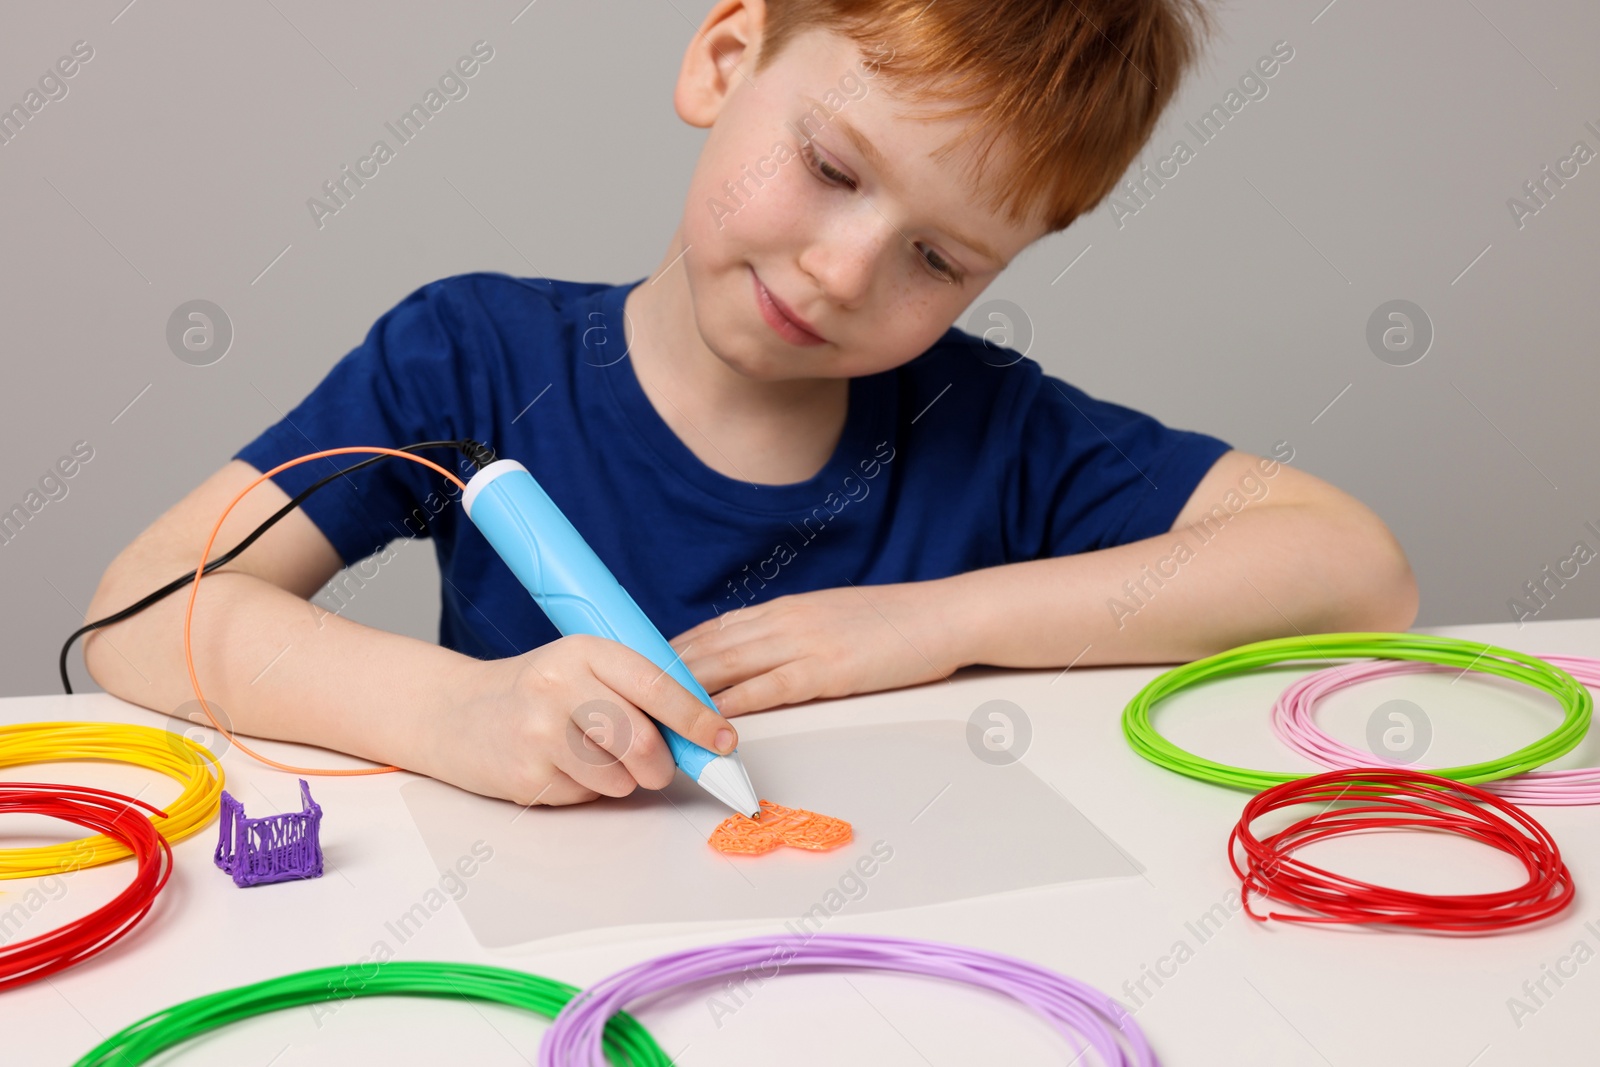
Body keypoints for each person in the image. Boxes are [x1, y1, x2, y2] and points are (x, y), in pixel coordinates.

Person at [84, 0, 1417, 809]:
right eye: (833, 166)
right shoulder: (471, 358)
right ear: (725, 56)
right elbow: (143, 612)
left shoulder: (992, 430)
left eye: (940, 260)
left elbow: (1354, 569)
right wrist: (450, 717)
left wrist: (935, 626)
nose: (845, 271)